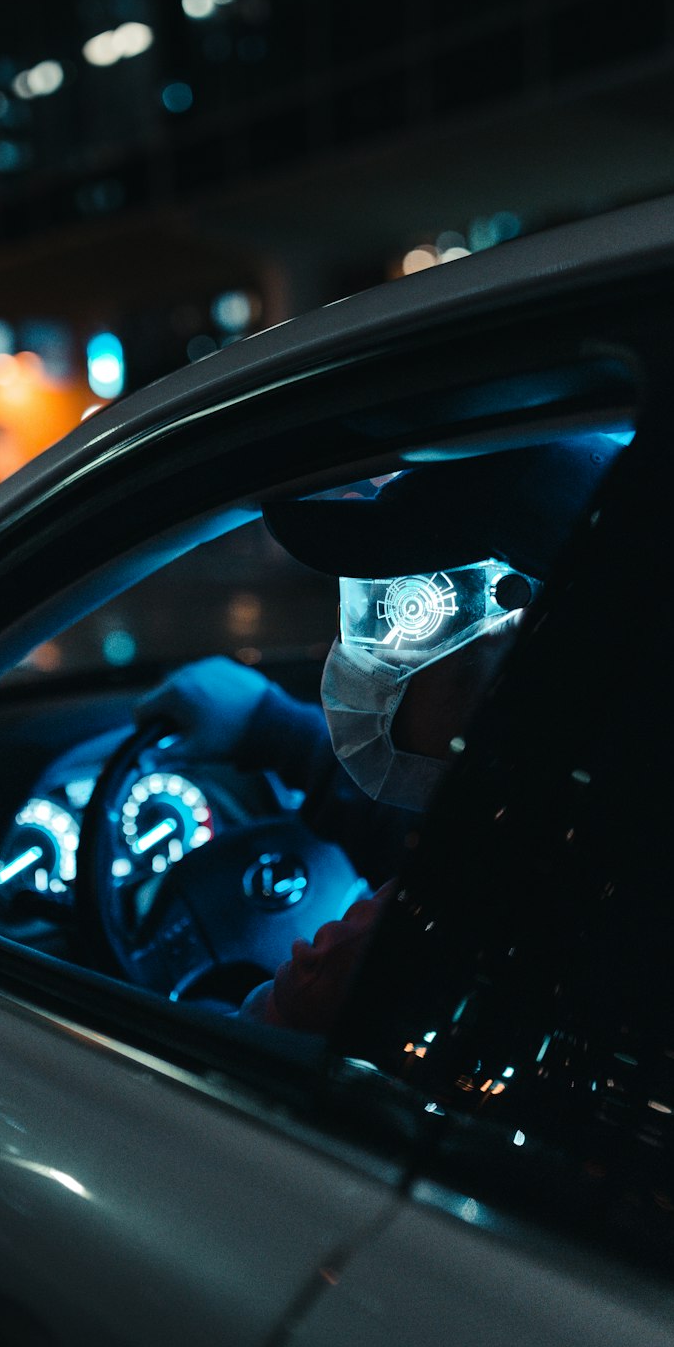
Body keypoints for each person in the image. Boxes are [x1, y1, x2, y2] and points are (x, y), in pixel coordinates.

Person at [138, 439, 619, 1030]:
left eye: (413, 616)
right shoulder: (556, 833)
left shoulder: (388, 960)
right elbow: (430, 834)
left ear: (529, 653)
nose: (370, 654)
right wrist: (272, 730)